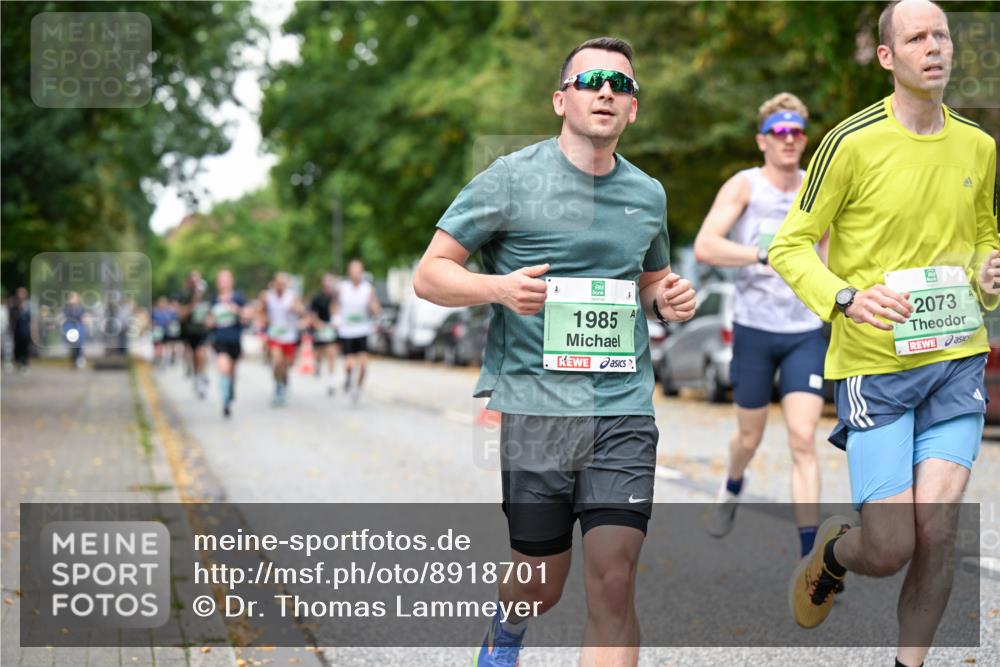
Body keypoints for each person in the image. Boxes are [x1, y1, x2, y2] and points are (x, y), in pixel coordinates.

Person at [413, 37, 696, 667]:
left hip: (622, 407)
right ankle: (506, 633)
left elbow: (648, 283)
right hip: (537, 410)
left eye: (621, 85)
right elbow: (429, 274)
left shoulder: (648, 195)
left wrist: (669, 299)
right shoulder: (511, 179)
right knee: (540, 583)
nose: (606, 92)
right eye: (592, 80)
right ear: (560, 99)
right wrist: (499, 289)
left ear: (633, 111)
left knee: (614, 580)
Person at [769, 2, 998, 665]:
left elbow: (983, 235)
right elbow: (790, 246)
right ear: (888, 57)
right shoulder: (851, 142)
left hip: (956, 356)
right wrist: (843, 296)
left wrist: (989, 273)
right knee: (890, 545)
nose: (935, 48)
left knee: (939, 531)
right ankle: (838, 549)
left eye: (942, 36)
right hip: (876, 367)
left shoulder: (979, 147)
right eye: (917, 37)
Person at [693, 93, 829, 559]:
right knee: (749, 436)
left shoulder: (817, 187)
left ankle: (810, 554)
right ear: (762, 140)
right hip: (753, 329)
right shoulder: (745, 186)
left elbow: (831, 255)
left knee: (802, 437)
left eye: (796, 132)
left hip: (804, 330)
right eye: (779, 132)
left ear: (804, 140)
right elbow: (707, 246)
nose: (788, 140)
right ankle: (732, 485)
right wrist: (762, 254)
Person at [206, 270, 251, 418]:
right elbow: (208, 321)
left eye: (226, 279)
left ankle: (230, 390)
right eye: (221, 280)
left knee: (231, 371)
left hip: (235, 340)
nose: (224, 282)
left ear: (232, 281)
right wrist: (209, 322)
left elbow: (247, 317)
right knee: (223, 368)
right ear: (218, 283)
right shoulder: (213, 300)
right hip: (219, 340)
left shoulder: (238, 298)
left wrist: (237, 310)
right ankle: (225, 401)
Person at [336, 260, 380, 405]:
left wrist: (375, 310)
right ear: (349, 272)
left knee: (363, 364)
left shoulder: (368, 289)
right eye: (353, 271)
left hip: (362, 329)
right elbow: (335, 305)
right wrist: (335, 318)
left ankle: (359, 388)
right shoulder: (342, 287)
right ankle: (349, 377)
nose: (356, 274)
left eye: (358, 271)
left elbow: (374, 305)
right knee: (349, 363)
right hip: (347, 330)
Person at [261, 272, 305, 407]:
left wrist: (295, 308)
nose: (280, 286)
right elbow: (260, 311)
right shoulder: (268, 296)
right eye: (278, 283)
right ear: (274, 283)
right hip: (274, 335)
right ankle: (277, 387)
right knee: (277, 361)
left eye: (283, 283)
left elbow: (302, 312)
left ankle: (284, 383)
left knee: (286, 366)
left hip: (289, 336)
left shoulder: (292, 296)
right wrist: (264, 320)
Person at [178, 271, 211, 398]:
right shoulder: (184, 296)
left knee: (201, 352)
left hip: (203, 331)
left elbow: (211, 311)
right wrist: (194, 302)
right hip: (189, 331)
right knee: (194, 355)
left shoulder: (207, 296)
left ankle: (201, 375)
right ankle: (197, 375)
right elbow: (181, 314)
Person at [310, 273, 340, 396]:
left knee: (331, 354)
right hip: (320, 329)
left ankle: (332, 380)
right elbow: (312, 315)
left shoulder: (336, 298)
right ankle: (317, 365)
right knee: (318, 353)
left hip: (331, 329)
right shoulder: (317, 298)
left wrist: (336, 322)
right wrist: (317, 324)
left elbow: (339, 312)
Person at [62, 291, 87, 369]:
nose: (72, 300)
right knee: (73, 344)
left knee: (79, 343)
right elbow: (64, 318)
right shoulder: (66, 308)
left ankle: (80, 357)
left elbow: (84, 317)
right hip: (70, 326)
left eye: (74, 298)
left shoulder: (81, 308)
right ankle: (74, 358)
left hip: (78, 326)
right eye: (71, 298)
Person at [10, 287, 32, 373]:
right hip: (17, 331)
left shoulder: (28, 306)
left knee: (26, 348)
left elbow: (31, 319)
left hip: (26, 331)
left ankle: (25, 364)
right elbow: (12, 318)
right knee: (17, 348)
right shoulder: (14, 306)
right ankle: (18, 363)